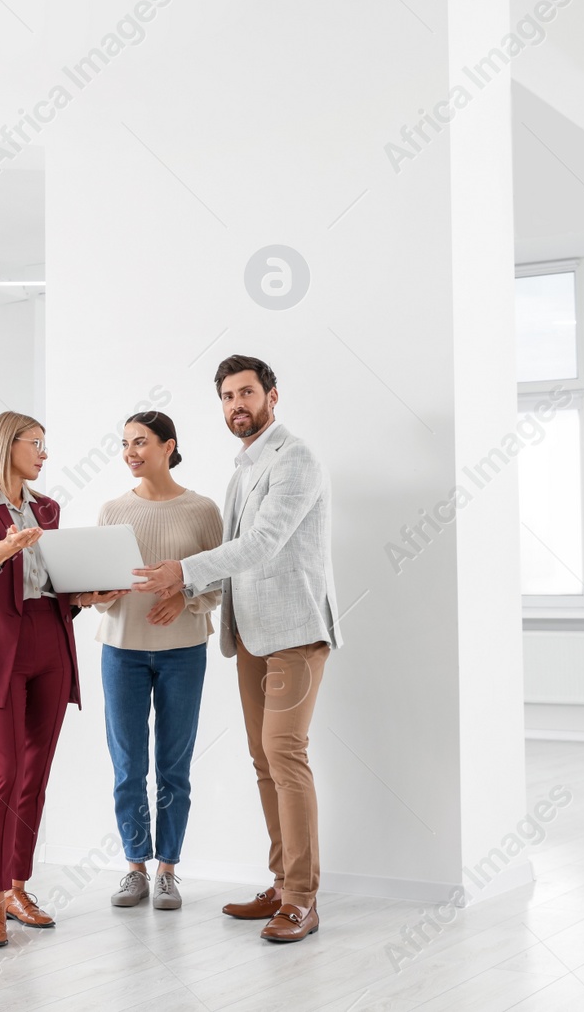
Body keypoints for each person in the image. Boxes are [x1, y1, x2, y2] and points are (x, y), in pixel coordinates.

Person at [133, 355, 339, 944]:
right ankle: (281, 884)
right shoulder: (241, 470)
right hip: (250, 634)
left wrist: (182, 569)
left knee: (285, 754)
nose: (236, 405)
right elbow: (235, 558)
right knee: (264, 760)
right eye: (226, 397)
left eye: (246, 393)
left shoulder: (294, 457)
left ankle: (303, 900)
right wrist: (190, 591)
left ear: (273, 395)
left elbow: (265, 543)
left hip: (296, 633)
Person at [0, 411, 126, 949]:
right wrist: (5, 548)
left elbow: (55, 584)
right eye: (36, 444)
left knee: (35, 773)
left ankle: (20, 887)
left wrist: (89, 597)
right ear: (7, 443)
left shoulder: (47, 507)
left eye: (47, 445)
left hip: (49, 642)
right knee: (4, 771)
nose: (44, 454)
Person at [91, 411, 223, 911]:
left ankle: (168, 869)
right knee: (128, 765)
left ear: (169, 446)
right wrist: (97, 593)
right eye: (124, 442)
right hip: (121, 649)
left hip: (183, 651)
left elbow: (220, 579)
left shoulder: (203, 509)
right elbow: (102, 588)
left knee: (173, 765)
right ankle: (134, 868)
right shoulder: (111, 510)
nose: (130, 451)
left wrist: (185, 595)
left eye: (140, 442)